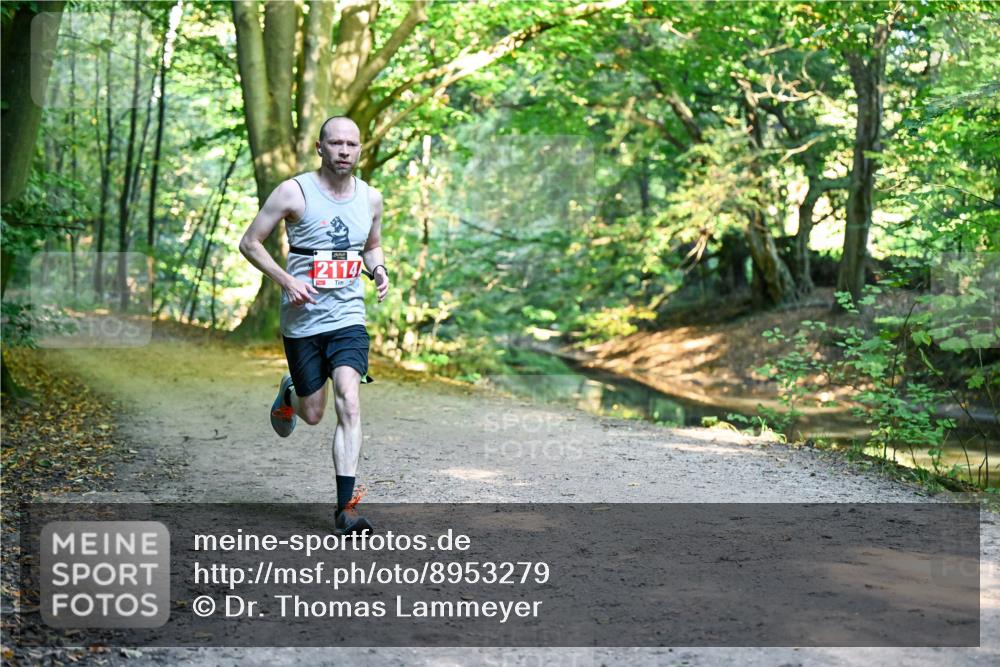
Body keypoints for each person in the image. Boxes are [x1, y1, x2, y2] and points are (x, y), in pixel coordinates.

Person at [238, 116, 389, 534]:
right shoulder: (294, 191)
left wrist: (378, 270)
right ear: (320, 148)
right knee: (313, 413)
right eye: (336, 143)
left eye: (352, 144)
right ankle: (291, 389)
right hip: (303, 320)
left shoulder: (371, 199)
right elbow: (249, 242)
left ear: (360, 149)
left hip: (347, 317)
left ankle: (346, 508)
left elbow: (371, 248)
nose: (344, 151)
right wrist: (286, 280)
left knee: (349, 398)